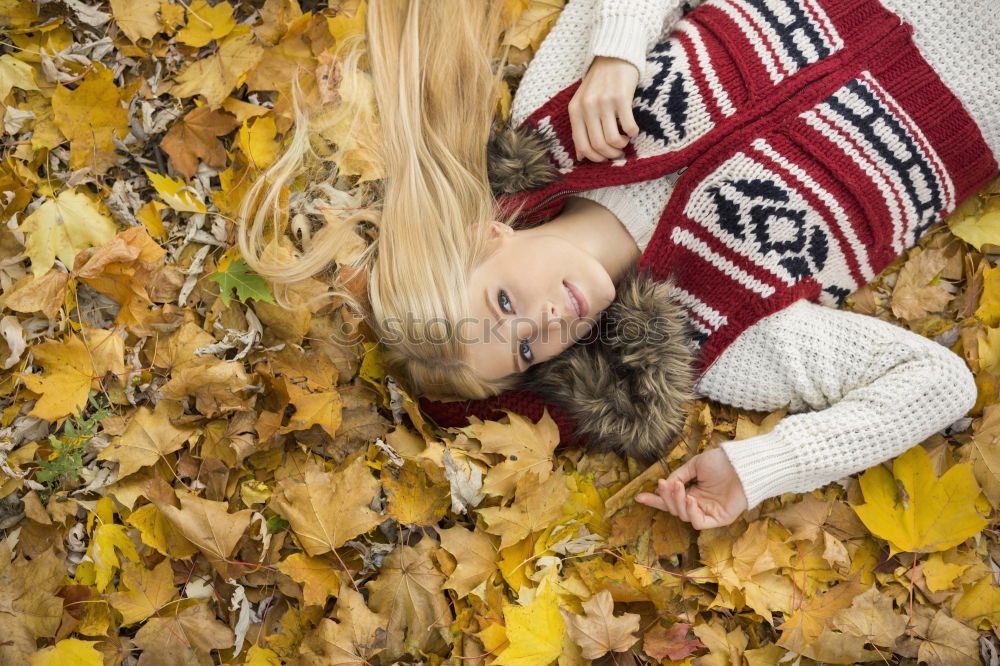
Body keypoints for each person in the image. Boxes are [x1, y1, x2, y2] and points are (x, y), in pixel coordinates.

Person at [238, 0, 999, 529]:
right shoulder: (719, 336)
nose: (547, 321)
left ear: (485, 238)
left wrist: (617, 46)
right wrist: (764, 468)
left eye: (505, 305)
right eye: (528, 348)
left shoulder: (556, 114)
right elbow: (940, 384)